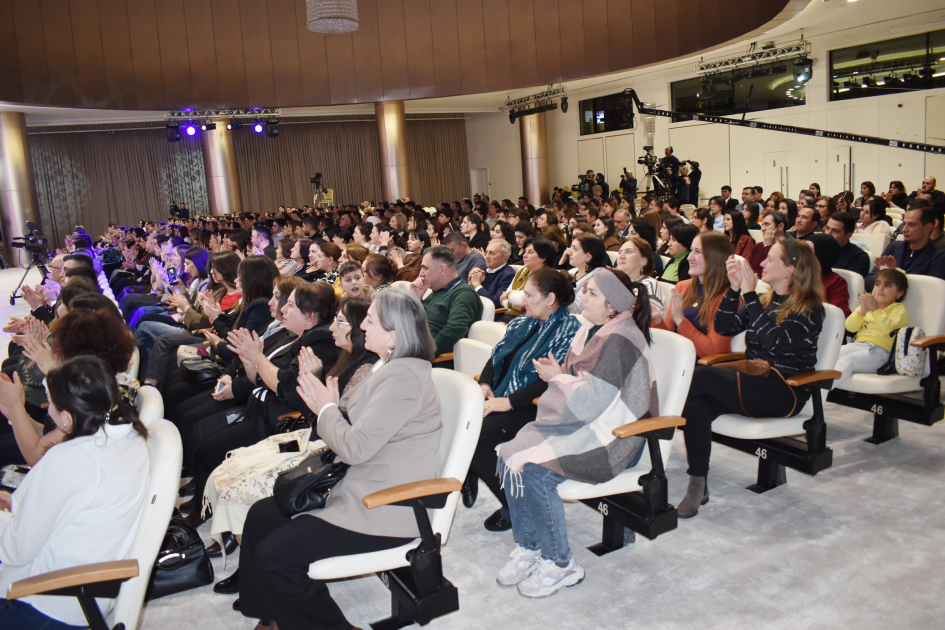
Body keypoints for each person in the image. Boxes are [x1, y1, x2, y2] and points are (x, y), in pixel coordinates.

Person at [236, 289, 441, 630]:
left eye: (370, 320)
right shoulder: (385, 366)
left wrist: (327, 408)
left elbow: (355, 446)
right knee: (261, 516)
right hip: (357, 485)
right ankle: (272, 617)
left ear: (393, 334)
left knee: (276, 558)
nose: (363, 325)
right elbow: (352, 423)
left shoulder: (403, 377)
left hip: (383, 506)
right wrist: (328, 404)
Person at [494, 268, 657, 598]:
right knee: (513, 451)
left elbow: (593, 400)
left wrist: (558, 377)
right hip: (586, 421)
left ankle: (561, 563)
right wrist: (561, 374)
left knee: (537, 471)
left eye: (593, 293)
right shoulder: (590, 330)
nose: (583, 295)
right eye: (587, 289)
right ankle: (530, 547)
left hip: (618, 435)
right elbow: (581, 384)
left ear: (612, 306)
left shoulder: (622, 340)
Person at [678, 238, 825, 518]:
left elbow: (774, 343)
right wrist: (734, 290)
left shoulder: (810, 308)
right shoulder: (768, 300)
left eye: (770, 259)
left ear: (790, 269)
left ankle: (650, 416)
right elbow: (725, 326)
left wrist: (750, 294)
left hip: (784, 391)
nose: (761, 263)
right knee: (697, 407)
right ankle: (698, 484)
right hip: (753, 382)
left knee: (704, 376)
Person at [0, 356, 149, 629]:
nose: (48, 411)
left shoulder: (68, 459)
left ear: (67, 419)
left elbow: (13, 551)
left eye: (51, 405)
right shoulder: (130, 437)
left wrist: (6, 517)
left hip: (45, 601)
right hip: (84, 594)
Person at [178, 283, 341, 527]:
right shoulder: (298, 338)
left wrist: (256, 356)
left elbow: (285, 387)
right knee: (202, 437)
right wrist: (248, 358)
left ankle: (206, 514)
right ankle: (206, 504)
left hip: (280, 424)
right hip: (260, 409)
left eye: (291, 305)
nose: (283, 309)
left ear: (309, 316)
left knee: (210, 449)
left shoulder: (319, 346)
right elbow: (259, 378)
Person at [466, 268, 582, 531]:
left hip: (536, 406)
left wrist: (507, 403)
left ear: (550, 299)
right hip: (503, 397)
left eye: (529, 295)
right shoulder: (522, 322)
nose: (522, 300)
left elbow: (548, 381)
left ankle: (514, 505)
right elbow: (496, 357)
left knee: (473, 438)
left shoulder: (569, 329)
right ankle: (469, 472)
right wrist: (485, 383)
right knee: (458, 422)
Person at [656, 232, 737, 358]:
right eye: (691, 250)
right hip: (673, 358)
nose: (689, 257)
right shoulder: (682, 286)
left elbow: (714, 351)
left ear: (715, 257)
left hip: (700, 369)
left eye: (698, 252)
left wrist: (680, 320)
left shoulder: (728, 297)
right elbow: (667, 336)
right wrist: (655, 319)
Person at [836, 268, 909, 386]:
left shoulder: (898, 310)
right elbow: (849, 327)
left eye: (888, 285)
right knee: (833, 354)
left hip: (881, 352)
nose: (880, 288)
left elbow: (887, 329)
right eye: (877, 284)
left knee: (849, 360)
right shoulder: (867, 306)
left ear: (899, 293)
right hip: (858, 345)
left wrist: (875, 309)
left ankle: (819, 392)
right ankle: (808, 386)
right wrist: (862, 312)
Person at [408, 245, 483, 357]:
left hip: (433, 359)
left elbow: (453, 331)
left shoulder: (464, 294)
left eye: (425, 268)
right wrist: (416, 298)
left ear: (442, 269)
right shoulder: (437, 291)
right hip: (414, 347)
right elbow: (419, 321)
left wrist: (423, 353)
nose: (421, 274)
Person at [866, 205, 945, 287]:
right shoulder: (894, 247)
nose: (904, 229)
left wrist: (893, 273)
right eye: (904, 224)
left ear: (928, 228)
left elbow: (930, 290)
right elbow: (868, 282)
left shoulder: (939, 257)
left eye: (911, 224)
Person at [499, 238, 555, 318]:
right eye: (525, 251)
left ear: (543, 258)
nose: (524, 255)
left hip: (528, 320)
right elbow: (502, 299)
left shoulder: (547, 276)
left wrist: (508, 295)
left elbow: (524, 299)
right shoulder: (522, 270)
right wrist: (517, 306)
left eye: (530, 252)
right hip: (508, 316)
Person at [616, 237, 665, 323]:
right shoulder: (614, 281)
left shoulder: (649, 284)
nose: (621, 256)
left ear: (643, 261)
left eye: (629, 251)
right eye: (620, 252)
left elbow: (646, 318)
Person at [563, 233, 609, 314]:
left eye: (575, 249)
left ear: (588, 256)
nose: (569, 252)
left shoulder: (596, 278)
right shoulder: (572, 272)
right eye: (571, 247)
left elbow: (577, 309)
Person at [807, 234, 851, 317]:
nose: (802, 254)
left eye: (809, 251)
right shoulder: (794, 274)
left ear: (821, 255)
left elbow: (839, 315)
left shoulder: (836, 282)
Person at [469, 240, 515, 308]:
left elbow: (496, 302)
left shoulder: (508, 275)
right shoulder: (482, 268)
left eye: (492, 253)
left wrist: (477, 285)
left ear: (504, 258)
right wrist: (470, 282)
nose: (487, 256)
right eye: (486, 252)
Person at [824, 212, 871, 278]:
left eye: (835, 231)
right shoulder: (817, 249)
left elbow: (848, 284)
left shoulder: (859, 257)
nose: (828, 233)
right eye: (827, 228)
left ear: (848, 235)